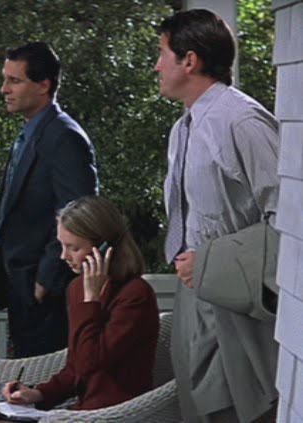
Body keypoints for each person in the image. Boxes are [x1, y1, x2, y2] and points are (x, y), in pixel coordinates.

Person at [156, 9, 280, 423]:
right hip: (193, 294)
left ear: (189, 61)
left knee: (235, 409)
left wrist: (215, 261)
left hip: (236, 297)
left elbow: (290, 220)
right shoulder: (183, 129)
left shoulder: (242, 121)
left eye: (162, 54)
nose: (156, 66)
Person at [0, 196, 159, 422]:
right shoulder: (77, 288)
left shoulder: (135, 295)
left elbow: (90, 363)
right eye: (62, 245)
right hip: (81, 410)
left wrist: (91, 301)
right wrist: (38, 394)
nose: (63, 256)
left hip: (114, 414)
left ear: (104, 247)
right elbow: (75, 366)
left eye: (73, 247)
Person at [0, 41, 98, 358]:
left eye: (15, 80)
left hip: (45, 294)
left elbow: (78, 214)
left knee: (45, 382)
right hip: (20, 286)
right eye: (5, 79)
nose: (4, 89)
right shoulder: (32, 133)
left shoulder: (64, 137)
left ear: (43, 85)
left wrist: (45, 281)